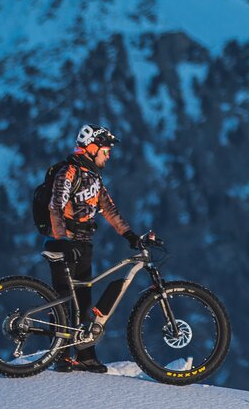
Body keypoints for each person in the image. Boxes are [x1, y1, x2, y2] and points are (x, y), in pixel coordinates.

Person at [43, 124, 152, 373]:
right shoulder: (68, 171)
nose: (108, 154)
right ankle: (59, 355)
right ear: (91, 147)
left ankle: (85, 355)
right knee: (62, 299)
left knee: (83, 300)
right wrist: (61, 241)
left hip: (83, 244)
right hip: (63, 243)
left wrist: (131, 236)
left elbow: (110, 211)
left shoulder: (93, 177)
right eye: (105, 148)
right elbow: (55, 207)